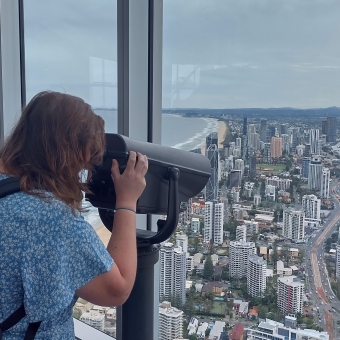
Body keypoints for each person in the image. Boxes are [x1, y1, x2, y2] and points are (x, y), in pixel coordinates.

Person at [0, 91, 148, 339]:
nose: (84, 171)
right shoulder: (51, 218)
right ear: (67, 154)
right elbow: (116, 290)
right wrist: (127, 201)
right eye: (84, 163)